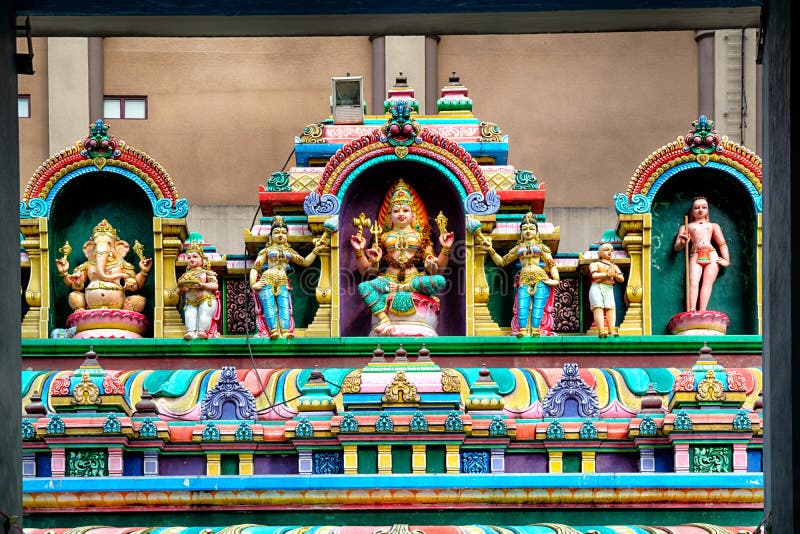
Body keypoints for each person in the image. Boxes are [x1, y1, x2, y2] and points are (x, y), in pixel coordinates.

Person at [350, 178, 454, 335]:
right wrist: (360, 251)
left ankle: (403, 289)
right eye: (396, 211)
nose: (401, 214)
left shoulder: (421, 237)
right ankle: (384, 319)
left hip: (414, 280)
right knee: (364, 287)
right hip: (389, 280)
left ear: (413, 214)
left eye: (405, 210)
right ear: (389, 215)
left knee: (439, 280)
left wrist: (446, 248)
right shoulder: (383, 237)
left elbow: (437, 269)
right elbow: (367, 270)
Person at [482, 212, 560, 337]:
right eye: (524, 229)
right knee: (522, 305)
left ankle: (536, 330)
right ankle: (522, 330)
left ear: (537, 231)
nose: (528, 231)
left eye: (531, 228)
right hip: (524, 278)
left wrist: (556, 278)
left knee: (538, 306)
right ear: (521, 232)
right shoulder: (517, 249)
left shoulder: (541, 247)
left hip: (540, 277)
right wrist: (490, 250)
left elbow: (551, 264)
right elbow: (502, 262)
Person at [250, 216, 327, 339]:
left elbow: (305, 262)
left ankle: (285, 331)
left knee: (284, 306)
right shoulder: (267, 251)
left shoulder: (289, 251)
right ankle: (273, 331)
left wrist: (316, 250)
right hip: (267, 280)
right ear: (271, 236)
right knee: (269, 307)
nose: (280, 235)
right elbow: (255, 267)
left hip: (283, 281)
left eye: (283, 232)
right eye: (276, 232)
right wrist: (253, 284)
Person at [673, 197, 730, 312]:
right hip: (695, 254)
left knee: (707, 283)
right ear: (692, 211)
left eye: (704, 207)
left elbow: (722, 244)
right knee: (693, 282)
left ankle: (702, 310)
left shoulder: (713, 226)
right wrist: (682, 243)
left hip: (712, 254)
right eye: (696, 208)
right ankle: (692, 310)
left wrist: (726, 259)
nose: (700, 210)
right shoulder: (686, 227)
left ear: (708, 210)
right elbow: (676, 247)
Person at [177, 243, 219, 340]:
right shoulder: (185, 276)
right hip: (190, 302)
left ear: (202, 259)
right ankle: (191, 332)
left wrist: (203, 285)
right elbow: (178, 292)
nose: (191, 259)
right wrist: (183, 288)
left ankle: (203, 331)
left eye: (195, 256)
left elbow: (215, 286)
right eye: (189, 257)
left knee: (204, 315)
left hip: (206, 299)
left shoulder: (207, 273)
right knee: (189, 315)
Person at [588, 242, 624, 337]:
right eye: (606, 250)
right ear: (599, 253)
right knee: (598, 307)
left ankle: (611, 330)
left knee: (611, 308)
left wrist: (615, 275)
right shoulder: (595, 264)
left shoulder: (614, 266)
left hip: (609, 288)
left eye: (612, 250)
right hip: (597, 287)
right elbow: (594, 275)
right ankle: (601, 330)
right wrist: (607, 274)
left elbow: (621, 279)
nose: (610, 252)